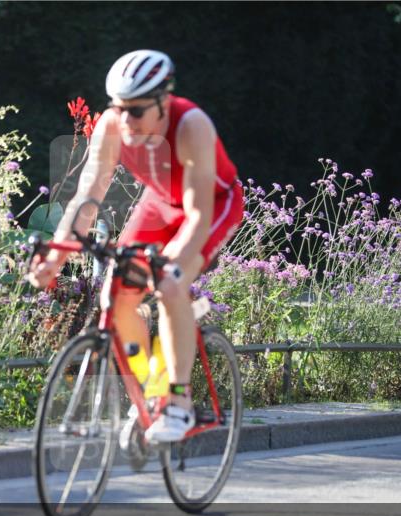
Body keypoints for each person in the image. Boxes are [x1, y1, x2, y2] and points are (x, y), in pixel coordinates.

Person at [27, 50, 244, 442]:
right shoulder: (112, 125)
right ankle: (150, 391)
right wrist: (56, 256)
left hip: (212, 206)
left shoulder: (190, 125)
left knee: (171, 285)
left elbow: (196, 216)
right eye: (119, 108)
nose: (126, 120)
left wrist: (171, 265)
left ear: (163, 102)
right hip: (161, 202)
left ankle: (178, 402)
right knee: (117, 289)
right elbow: (86, 197)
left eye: (137, 111)